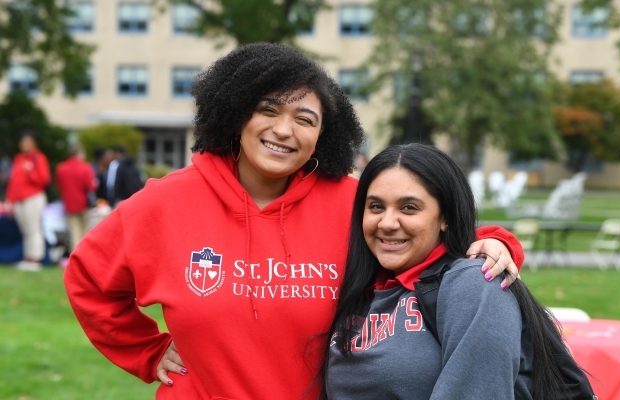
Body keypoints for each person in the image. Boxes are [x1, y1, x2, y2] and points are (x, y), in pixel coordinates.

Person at [64, 43, 523, 399]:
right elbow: (88, 279)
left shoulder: (351, 201)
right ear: (236, 115)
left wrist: (495, 240)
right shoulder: (163, 203)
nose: (284, 130)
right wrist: (148, 351)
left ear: (323, 134)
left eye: (305, 119)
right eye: (268, 110)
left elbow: (423, 233)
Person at [323, 143, 586, 399]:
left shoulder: (475, 283)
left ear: (445, 217)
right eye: (376, 206)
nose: (387, 223)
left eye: (409, 208)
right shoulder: (359, 286)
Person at [5, 129, 51, 271]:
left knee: (34, 229)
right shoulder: (19, 158)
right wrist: (10, 200)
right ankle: (28, 258)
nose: (25, 144)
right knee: (25, 230)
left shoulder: (39, 158)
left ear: (34, 143)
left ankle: (35, 259)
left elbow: (44, 180)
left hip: (33, 198)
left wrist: (30, 173)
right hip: (19, 200)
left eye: (28, 141)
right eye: (23, 141)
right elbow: (13, 181)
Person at [55, 145, 98, 252]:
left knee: (74, 232)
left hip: (69, 204)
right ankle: (85, 254)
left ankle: (75, 253)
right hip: (83, 203)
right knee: (85, 231)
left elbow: (59, 186)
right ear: (79, 154)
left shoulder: (61, 168)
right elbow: (91, 186)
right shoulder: (85, 167)